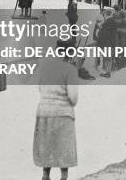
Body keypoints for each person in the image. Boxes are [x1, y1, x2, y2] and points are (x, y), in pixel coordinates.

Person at [33, 40, 79, 180]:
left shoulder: (44, 67)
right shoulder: (70, 69)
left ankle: (45, 175)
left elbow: (40, 88)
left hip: (44, 112)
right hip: (62, 113)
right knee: (63, 148)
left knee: (47, 145)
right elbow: (73, 98)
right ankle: (64, 177)